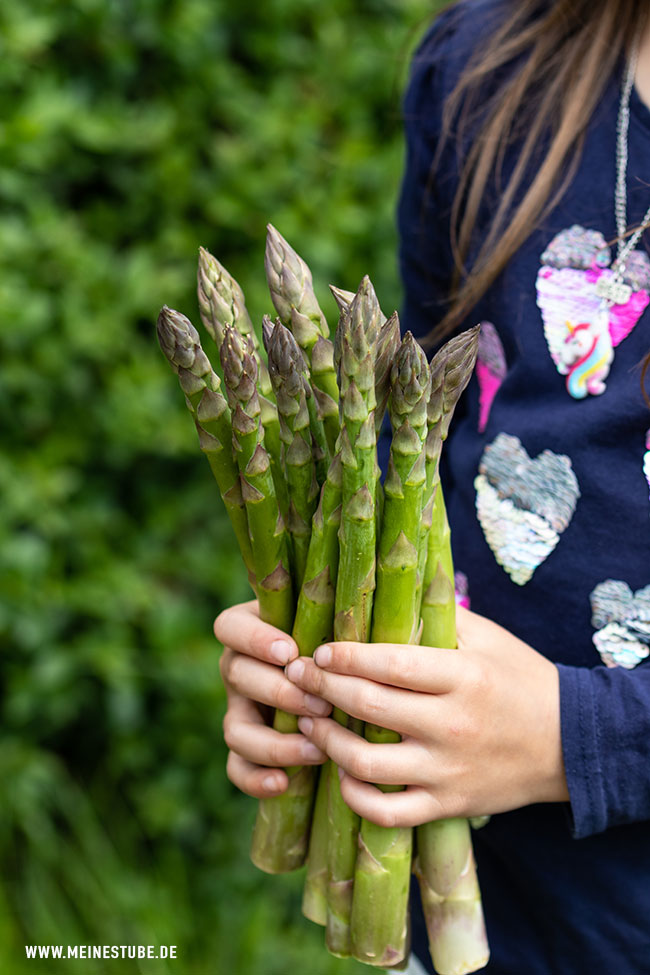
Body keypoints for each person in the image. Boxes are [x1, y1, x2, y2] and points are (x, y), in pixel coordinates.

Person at [215, 1, 650, 972]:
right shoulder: (483, 66)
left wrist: (574, 740)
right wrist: (317, 648)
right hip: (455, 906)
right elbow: (411, 434)